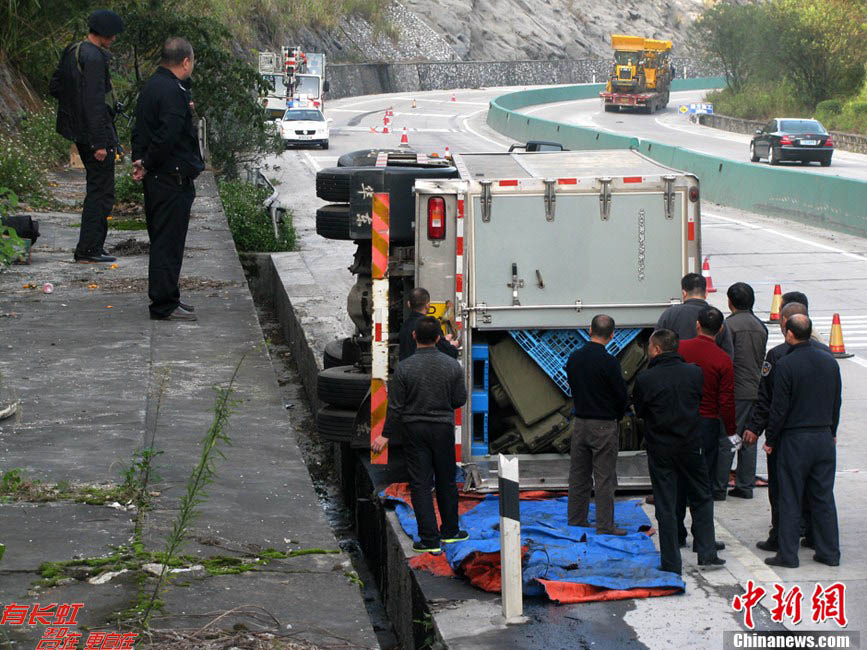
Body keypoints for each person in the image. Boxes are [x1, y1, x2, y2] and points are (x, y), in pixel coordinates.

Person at [633, 329, 725, 574]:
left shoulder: (645, 379)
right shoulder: (694, 373)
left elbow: (640, 411)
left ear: (656, 349)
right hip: (691, 444)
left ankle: (671, 560)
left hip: (661, 447)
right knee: (702, 497)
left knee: (666, 502)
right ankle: (707, 552)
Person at [374, 316, 468, 554]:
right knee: (446, 480)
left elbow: (396, 406)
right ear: (438, 338)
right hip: (443, 429)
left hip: (414, 430)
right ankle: (450, 531)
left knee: (420, 483)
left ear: (414, 336)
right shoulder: (452, 366)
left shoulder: (404, 368)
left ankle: (428, 539)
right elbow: (459, 400)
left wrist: (385, 435)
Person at [744, 301, 831, 552]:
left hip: (788, 436)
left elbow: (768, 400)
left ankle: (781, 537)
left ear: (785, 323)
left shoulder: (779, 356)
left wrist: (763, 433)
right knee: (816, 490)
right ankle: (815, 535)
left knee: (783, 490)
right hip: (821, 434)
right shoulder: (825, 355)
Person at [131, 37, 204, 321]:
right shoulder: (173, 91)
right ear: (185, 61)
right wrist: (147, 162)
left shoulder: (152, 86)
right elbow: (168, 135)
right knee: (167, 243)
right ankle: (163, 303)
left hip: (159, 177)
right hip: (170, 179)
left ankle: (168, 296)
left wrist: (140, 160)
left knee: (164, 240)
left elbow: (140, 129)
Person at [763, 315, 841, 568]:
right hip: (823, 436)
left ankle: (788, 554)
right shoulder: (829, 361)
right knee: (823, 497)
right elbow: (836, 402)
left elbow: (779, 408)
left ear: (788, 333)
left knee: (790, 497)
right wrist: (832, 430)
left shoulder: (786, 364)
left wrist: (771, 439)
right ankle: (829, 552)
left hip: (795, 439)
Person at [50, 9, 124, 264]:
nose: (114, 39)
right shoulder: (95, 58)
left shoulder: (73, 50)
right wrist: (99, 143)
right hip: (94, 134)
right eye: (112, 34)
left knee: (97, 189)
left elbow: (56, 86)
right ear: (103, 34)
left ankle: (92, 247)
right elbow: (94, 103)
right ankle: (89, 249)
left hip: (78, 130)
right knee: (101, 192)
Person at [565, 314, 629, 535]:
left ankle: (576, 518)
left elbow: (571, 384)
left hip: (580, 422)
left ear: (589, 330)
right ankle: (605, 525)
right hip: (604, 424)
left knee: (578, 474)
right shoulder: (610, 362)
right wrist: (617, 415)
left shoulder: (574, 358)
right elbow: (621, 396)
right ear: (612, 335)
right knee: (604, 477)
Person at [676, 307, 734, 549]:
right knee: (703, 483)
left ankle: (676, 533)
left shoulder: (679, 349)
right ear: (721, 329)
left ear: (697, 325)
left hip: (680, 422)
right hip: (707, 425)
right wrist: (731, 431)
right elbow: (726, 401)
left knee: (677, 479)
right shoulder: (723, 359)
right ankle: (703, 538)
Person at [718, 283, 768, 500]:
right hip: (755, 390)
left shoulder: (727, 326)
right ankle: (745, 485)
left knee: (728, 440)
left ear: (730, 302)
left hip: (735, 392)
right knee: (749, 438)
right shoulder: (760, 326)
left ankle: (719, 487)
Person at [657, 273, 733, 357]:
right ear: (706, 293)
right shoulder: (716, 316)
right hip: (709, 368)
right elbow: (728, 352)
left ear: (684, 293)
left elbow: (656, 345)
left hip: (676, 368)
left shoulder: (669, 314)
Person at [398, 287, 459, 361]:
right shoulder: (429, 325)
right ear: (427, 305)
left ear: (409, 304)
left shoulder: (404, 326)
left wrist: (443, 340)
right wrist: (452, 345)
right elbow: (449, 353)